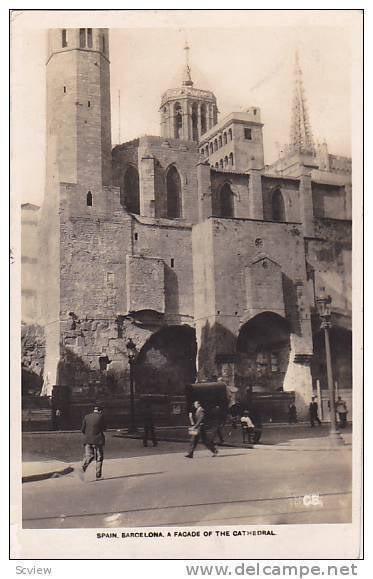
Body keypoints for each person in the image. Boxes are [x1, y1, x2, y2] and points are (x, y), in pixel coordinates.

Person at [80, 405, 106, 480]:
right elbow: (104, 428)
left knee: (89, 456)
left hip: (87, 439)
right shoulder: (101, 417)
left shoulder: (86, 416)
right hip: (98, 440)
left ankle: (82, 468)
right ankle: (98, 475)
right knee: (99, 457)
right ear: (100, 411)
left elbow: (82, 429)